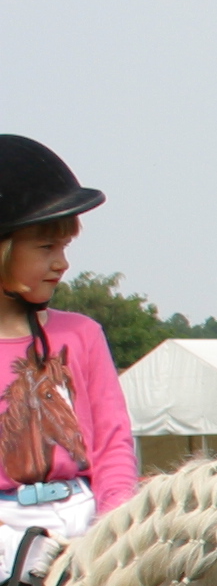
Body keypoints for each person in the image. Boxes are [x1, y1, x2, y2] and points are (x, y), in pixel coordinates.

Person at [0, 136, 136, 557]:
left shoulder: (83, 334)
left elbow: (113, 443)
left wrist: (113, 525)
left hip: (85, 514)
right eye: (46, 248)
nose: (62, 263)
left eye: (64, 246)